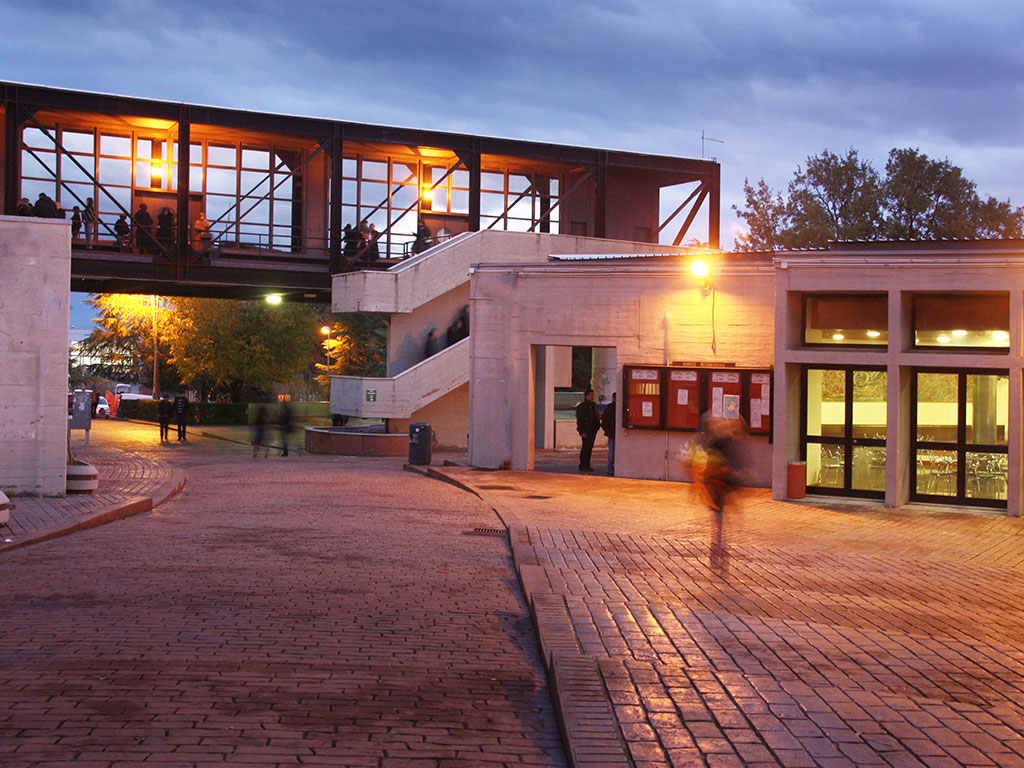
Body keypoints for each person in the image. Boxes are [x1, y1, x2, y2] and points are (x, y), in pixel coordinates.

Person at [575, 388, 600, 472]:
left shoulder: (593, 405)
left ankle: (587, 464)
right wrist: (582, 431)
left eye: (593, 395)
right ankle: (583, 464)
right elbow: (580, 420)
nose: (592, 397)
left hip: (593, 429)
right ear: (586, 396)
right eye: (591, 395)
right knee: (586, 447)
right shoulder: (582, 406)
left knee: (589, 448)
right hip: (586, 430)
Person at [601, 392, 616, 475]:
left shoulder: (609, 408)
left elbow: (605, 420)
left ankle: (610, 468)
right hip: (618, 432)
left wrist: (606, 429)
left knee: (611, 451)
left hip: (611, 432)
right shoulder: (621, 407)